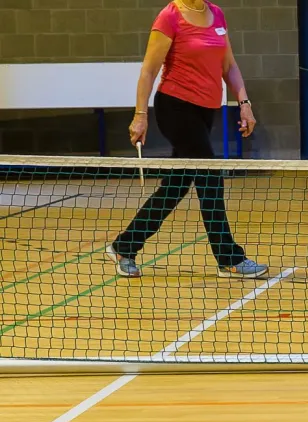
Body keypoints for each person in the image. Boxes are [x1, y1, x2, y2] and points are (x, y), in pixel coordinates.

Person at [106, 0, 266, 279]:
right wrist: (140, 115)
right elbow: (148, 70)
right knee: (210, 176)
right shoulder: (169, 17)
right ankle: (229, 258)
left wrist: (245, 103)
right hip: (176, 107)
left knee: (176, 185)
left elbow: (229, 65)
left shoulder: (216, 13)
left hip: (207, 111)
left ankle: (125, 246)